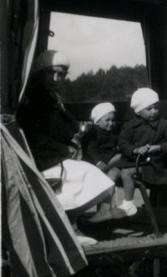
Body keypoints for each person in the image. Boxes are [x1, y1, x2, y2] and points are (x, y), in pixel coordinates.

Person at [17, 50, 117, 245]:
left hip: (54, 153)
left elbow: (64, 128)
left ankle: (70, 226)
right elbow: (33, 136)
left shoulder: (52, 97)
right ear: (40, 72)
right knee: (88, 174)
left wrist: (73, 139)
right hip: (40, 157)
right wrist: (66, 149)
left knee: (93, 176)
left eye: (61, 74)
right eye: (51, 73)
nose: (56, 78)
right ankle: (68, 228)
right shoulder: (33, 99)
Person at [118, 88, 167, 216]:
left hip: (156, 165)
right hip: (137, 161)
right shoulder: (130, 126)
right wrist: (134, 149)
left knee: (126, 172)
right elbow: (123, 143)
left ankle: (128, 203)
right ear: (139, 112)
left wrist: (159, 147)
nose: (154, 111)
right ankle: (108, 208)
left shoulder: (164, 124)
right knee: (114, 171)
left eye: (156, 107)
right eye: (149, 109)